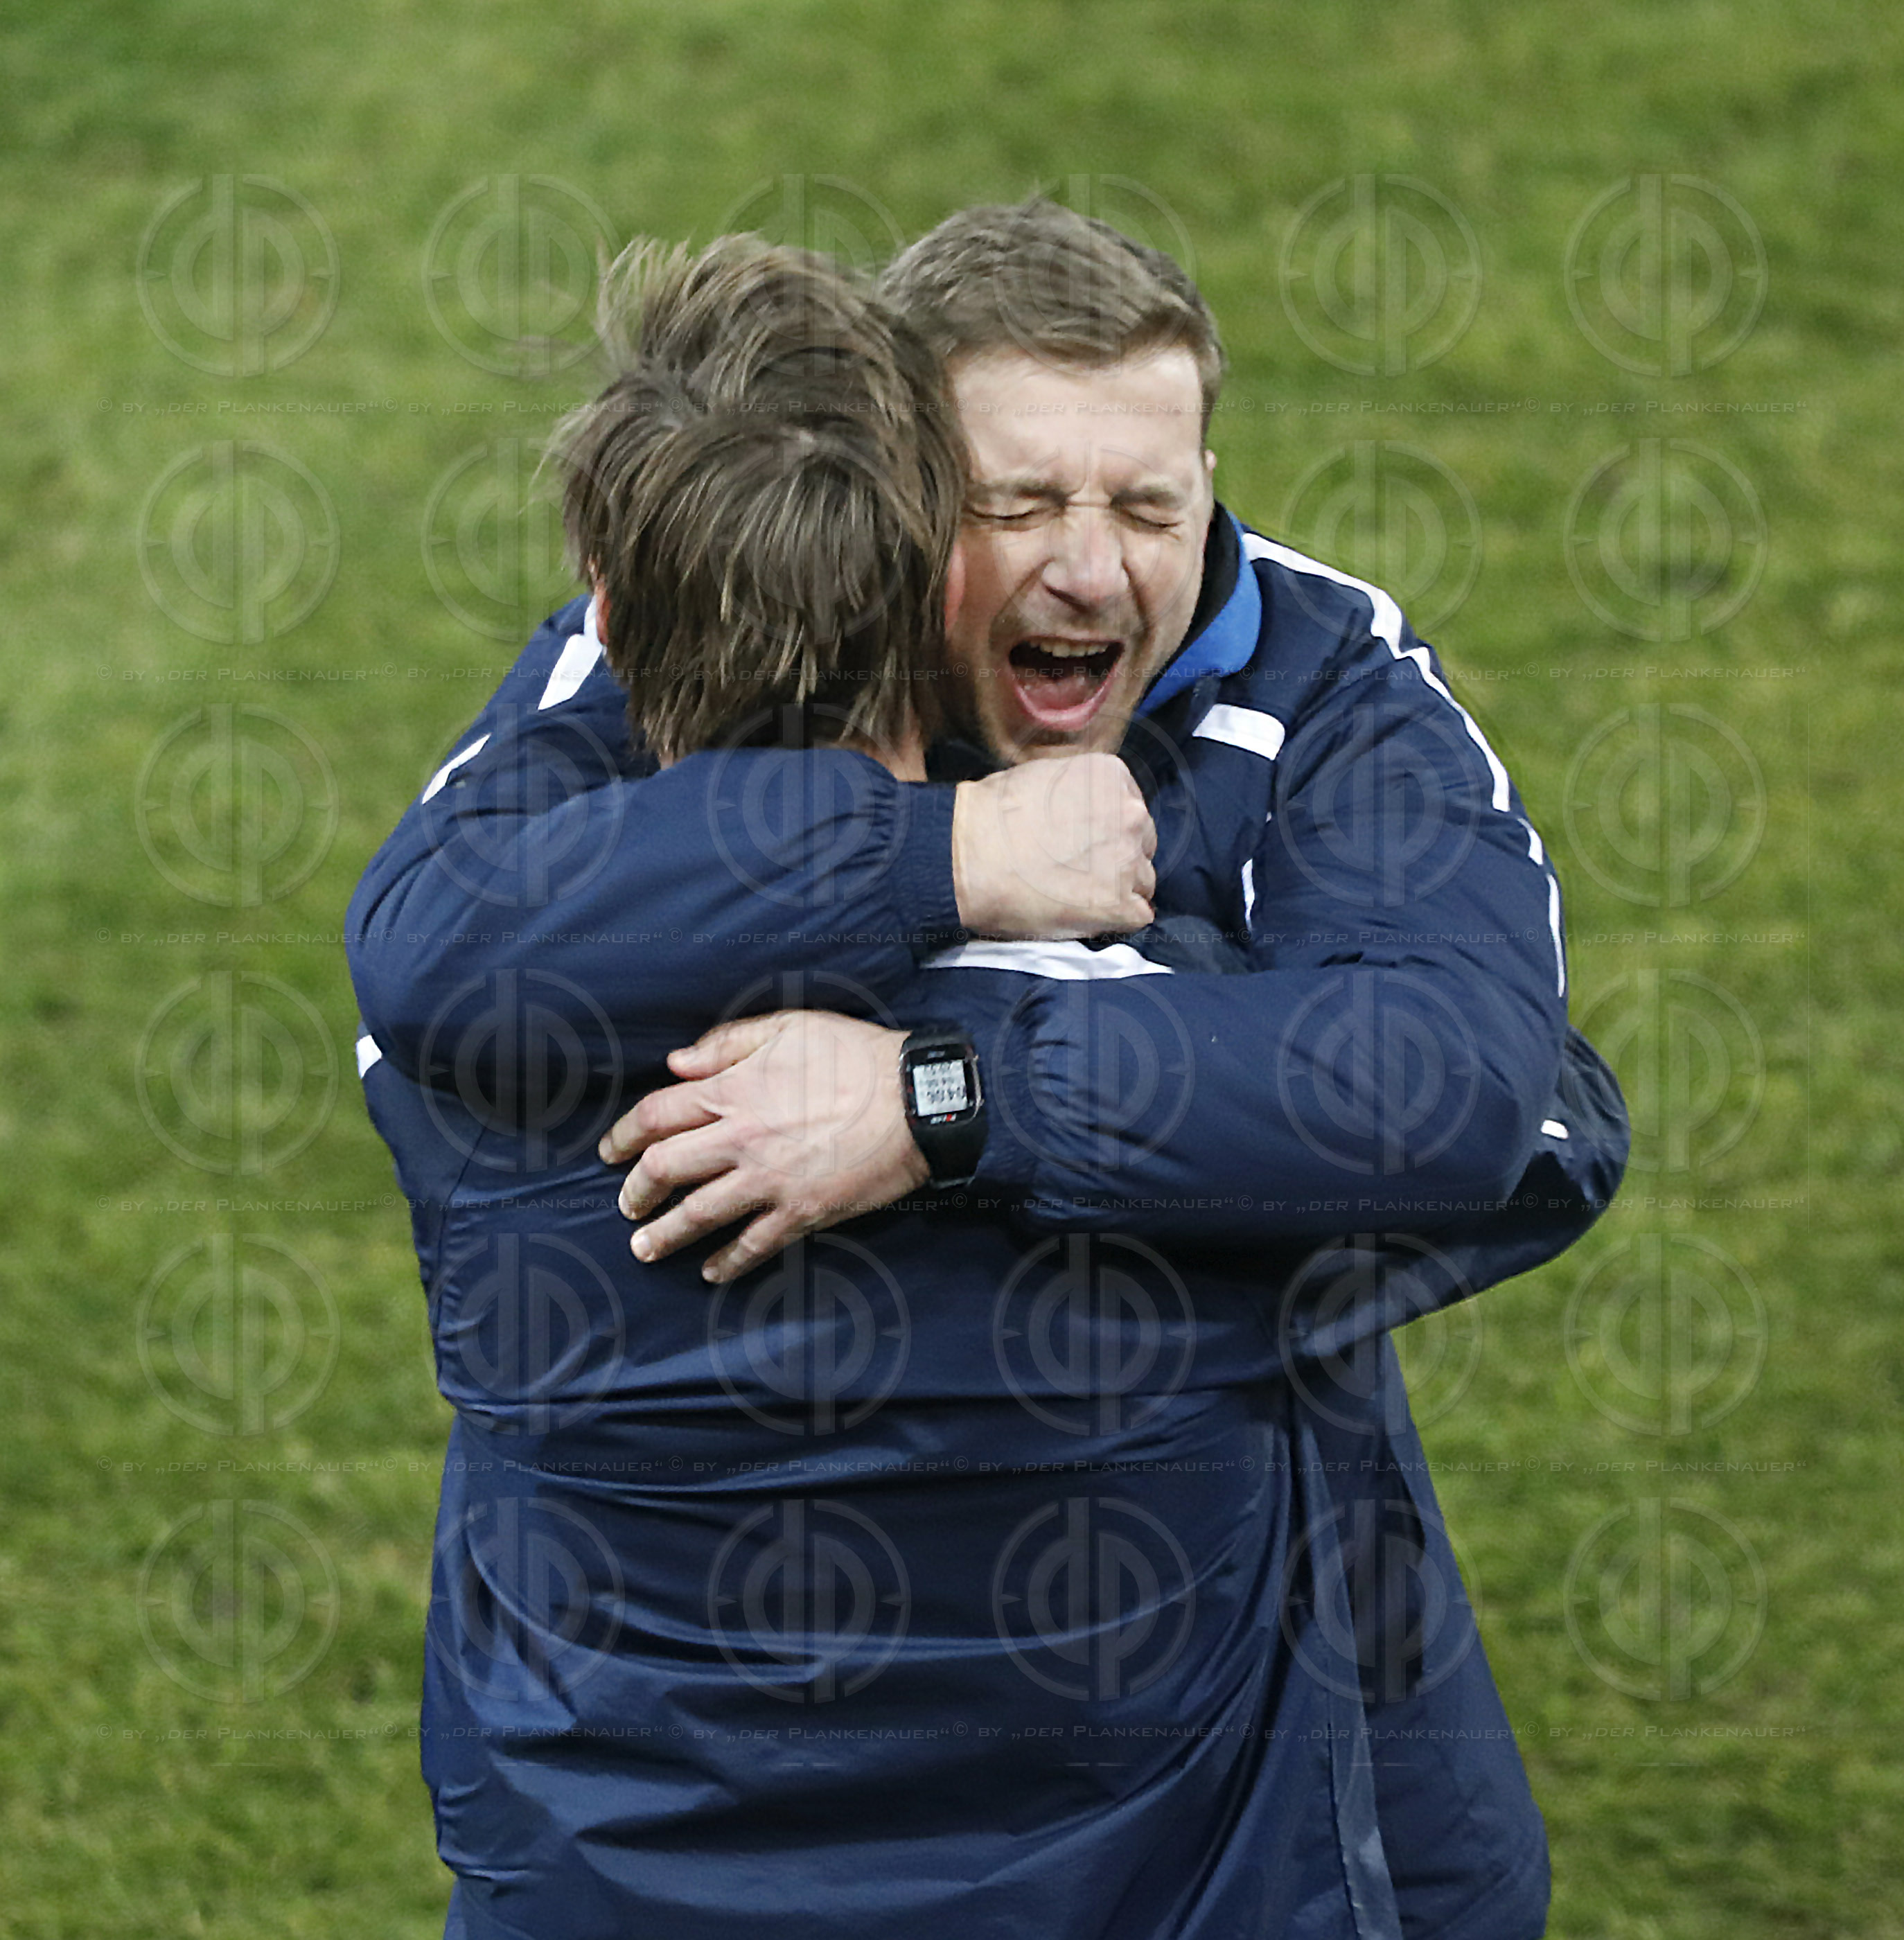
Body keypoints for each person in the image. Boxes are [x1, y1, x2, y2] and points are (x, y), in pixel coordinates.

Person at [348, 211, 1626, 1939]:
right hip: (1172, 1809)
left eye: (1151, 506)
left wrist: (935, 1100)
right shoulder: (627, 682)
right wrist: (939, 860)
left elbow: (440, 961)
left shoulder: (1324, 677)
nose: (1090, 570)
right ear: (883, 499)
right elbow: (1505, 1128)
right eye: (1017, 507)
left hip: (619, 1828)